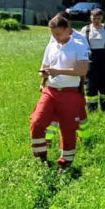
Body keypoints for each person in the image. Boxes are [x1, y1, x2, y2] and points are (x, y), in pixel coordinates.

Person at [29, 13, 89, 168]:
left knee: (68, 128)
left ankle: (66, 162)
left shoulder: (78, 45)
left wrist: (59, 71)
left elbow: (83, 70)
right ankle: (41, 158)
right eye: (52, 34)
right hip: (51, 90)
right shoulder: (51, 46)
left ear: (67, 30)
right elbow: (44, 67)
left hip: (70, 93)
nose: (55, 37)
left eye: (58, 34)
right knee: (37, 122)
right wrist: (43, 74)